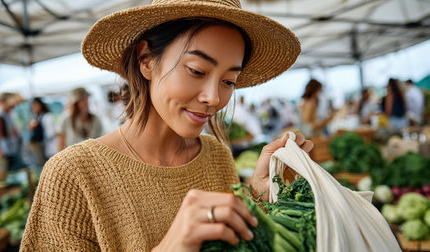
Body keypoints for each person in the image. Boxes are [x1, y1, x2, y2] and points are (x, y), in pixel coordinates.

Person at [20, 0, 314, 250]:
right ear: (146, 59)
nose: (213, 98)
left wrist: (261, 197)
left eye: (228, 82)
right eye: (196, 70)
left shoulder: (216, 155)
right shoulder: (73, 174)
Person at [0, 93, 26, 170]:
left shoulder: (9, 113)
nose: (14, 106)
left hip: (12, 149)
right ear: (2, 101)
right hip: (5, 151)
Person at [27, 97, 58, 167]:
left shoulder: (47, 116)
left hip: (49, 148)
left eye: (36, 105)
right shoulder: (36, 117)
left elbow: (50, 133)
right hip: (40, 149)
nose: (34, 108)